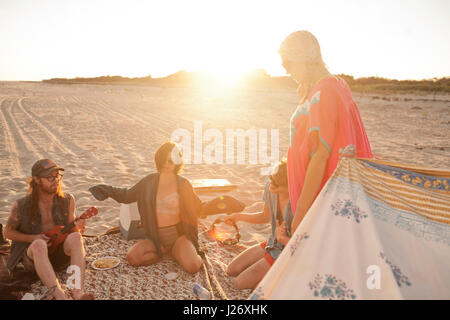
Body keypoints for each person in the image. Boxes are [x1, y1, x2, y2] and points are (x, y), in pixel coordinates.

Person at [278, 30, 373, 233]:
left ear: (302, 58)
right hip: (331, 187)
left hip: (320, 191)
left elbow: (321, 155)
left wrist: (301, 213)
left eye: (288, 62)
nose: (285, 69)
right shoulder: (337, 84)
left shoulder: (323, 92)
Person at [89, 141, 203, 274]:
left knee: (193, 267)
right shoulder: (148, 182)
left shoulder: (183, 184)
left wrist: (223, 204)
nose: (166, 164)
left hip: (178, 237)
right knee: (133, 258)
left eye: (171, 161)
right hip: (156, 238)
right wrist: (106, 190)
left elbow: (198, 207)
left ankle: (189, 253)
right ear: (158, 161)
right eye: (163, 160)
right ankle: (167, 253)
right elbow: (127, 195)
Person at [3, 159, 94, 300]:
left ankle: (78, 292)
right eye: (50, 177)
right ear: (37, 180)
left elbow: (73, 230)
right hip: (33, 259)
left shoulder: (68, 200)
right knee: (39, 245)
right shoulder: (21, 205)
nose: (56, 180)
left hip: (58, 258)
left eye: (57, 176)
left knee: (76, 238)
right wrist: (32, 238)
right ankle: (59, 295)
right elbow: (7, 233)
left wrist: (79, 227)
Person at [225, 160, 292, 289]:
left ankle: (279, 275)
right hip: (273, 243)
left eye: (276, 183)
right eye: (271, 177)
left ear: (289, 186)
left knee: (240, 284)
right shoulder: (271, 187)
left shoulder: (297, 202)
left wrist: (283, 239)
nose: (271, 184)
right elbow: (264, 216)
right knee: (231, 270)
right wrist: (238, 217)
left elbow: (303, 244)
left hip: (287, 250)